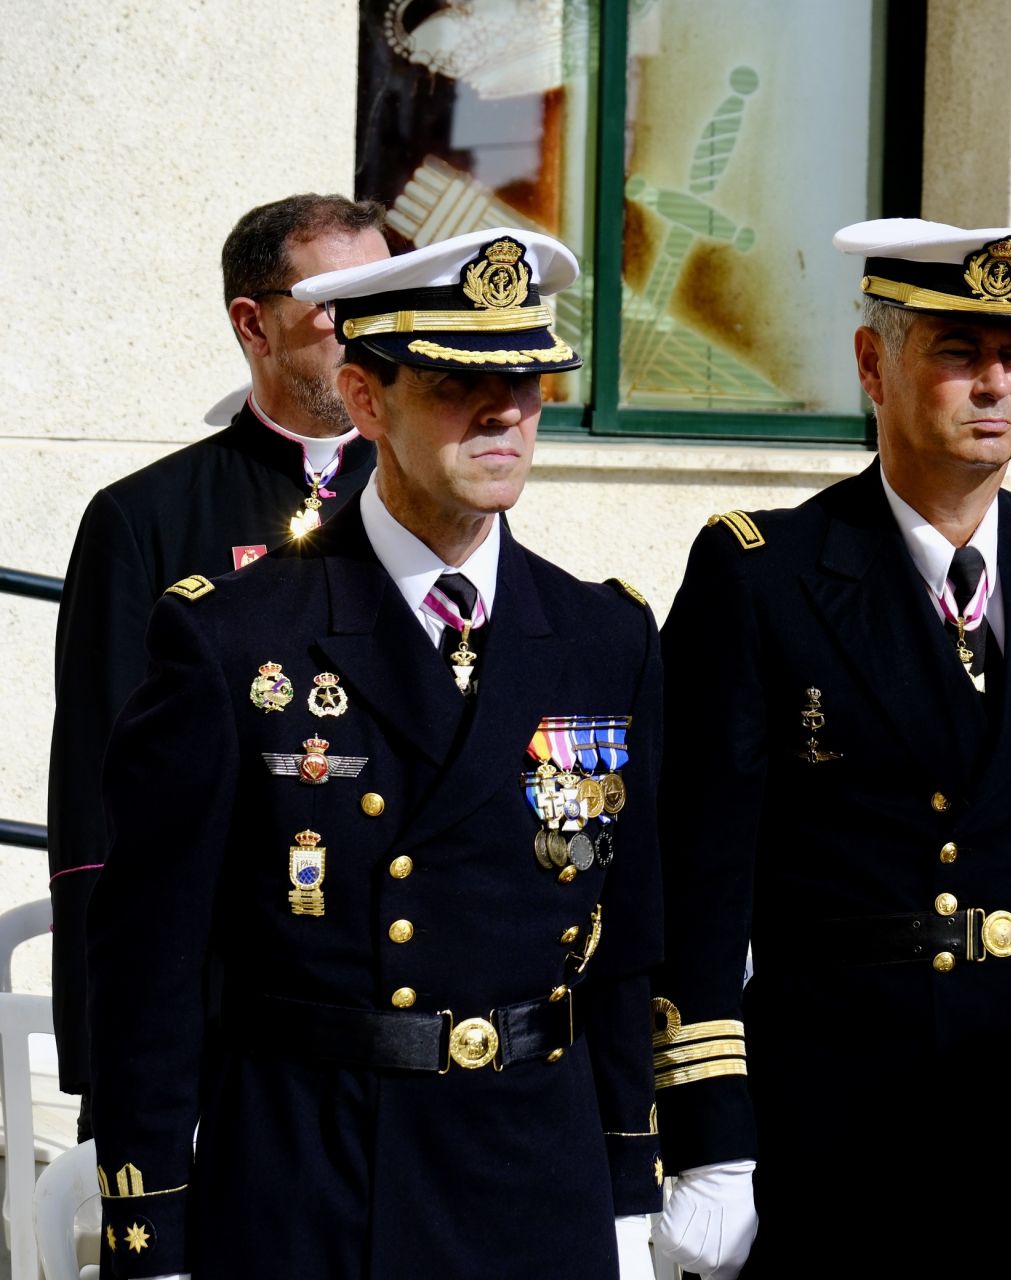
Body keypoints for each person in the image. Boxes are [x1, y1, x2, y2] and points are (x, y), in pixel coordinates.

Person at [85, 228, 665, 1279]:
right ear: (364, 398)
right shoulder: (235, 638)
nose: (503, 413)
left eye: (526, 383)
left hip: (539, 1178)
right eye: (456, 385)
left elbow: (625, 946)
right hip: (319, 1180)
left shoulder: (603, 637)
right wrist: (150, 1230)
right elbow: (150, 962)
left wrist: (630, 1188)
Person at [648, 218, 1011, 1278]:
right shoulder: (767, 572)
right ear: (871, 364)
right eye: (958, 352)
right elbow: (697, 879)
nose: (994, 384)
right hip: (841, 1104)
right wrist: (709, 1129)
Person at [48, 195, 387, 1128]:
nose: (368, 328)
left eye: (386, 297)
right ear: (253, 323)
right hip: (208, 1015)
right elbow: (99, 799)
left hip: (387, 1012)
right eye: (339, 303)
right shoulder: (143, 517)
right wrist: (112, 1050)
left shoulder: (433, 506)